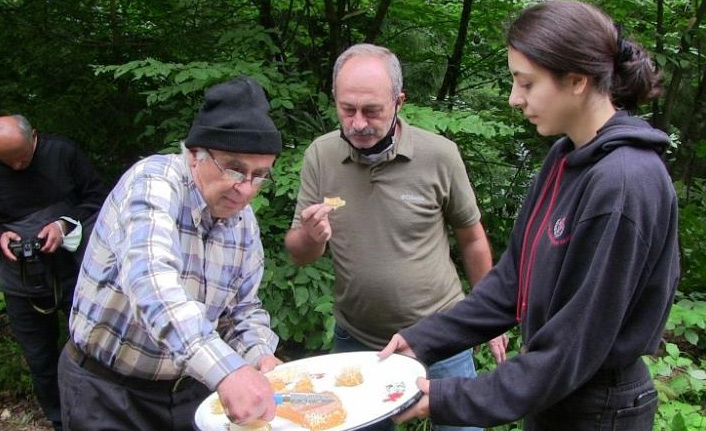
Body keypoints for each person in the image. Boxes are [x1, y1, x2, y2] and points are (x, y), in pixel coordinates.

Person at [380, 2, 680, 430]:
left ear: (576, 80)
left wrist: (450, 397)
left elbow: (575, 344)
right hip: (555, 394)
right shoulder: (565, 157)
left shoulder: (625, 182)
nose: (514, 98)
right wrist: (422, 340)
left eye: (526, 83)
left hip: (599, 409)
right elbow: (513, 281)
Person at [284, 44, 507, 431]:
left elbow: (471, 239)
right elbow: (300, 254)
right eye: (347, 109)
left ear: (399, 101)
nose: (357, 123)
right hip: (357, 341)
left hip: (442, 335)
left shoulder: (439, 156)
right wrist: (311, 235)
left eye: (372, 110)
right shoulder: (320, 155)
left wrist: (488, 317)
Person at [58, 77, 284, 431]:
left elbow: (241, 309)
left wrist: (259, 356)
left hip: (191, 391)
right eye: (235, 168)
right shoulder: (153, 182)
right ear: (195, 154)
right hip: (110, 394)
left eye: (259, 176)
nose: (245, 189)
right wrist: (229, 371)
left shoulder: (243, 221)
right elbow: (151, 282)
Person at [0, 114, 107, 431]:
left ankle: (100, 416)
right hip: (18, 279)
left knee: (92, 348)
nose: (18, 167)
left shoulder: (63, 153)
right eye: (8, 163)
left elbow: (99, 199)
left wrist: (64, 224)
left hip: (75, 272)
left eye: (22, 158)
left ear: (34, 136)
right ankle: (60, 420)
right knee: (40, 357)